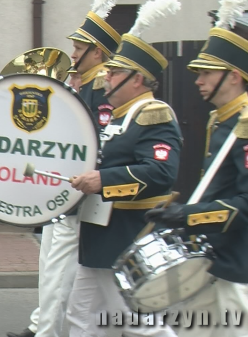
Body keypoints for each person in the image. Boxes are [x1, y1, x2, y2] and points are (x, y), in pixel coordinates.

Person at [65, 1, 182, 335]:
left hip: (127, 235)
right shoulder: (116, 117)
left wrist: (103, 180)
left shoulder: (152, 113)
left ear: (138, 80)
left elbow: (160, 175)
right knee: (82, 318)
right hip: (100, 235)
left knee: (141, 325)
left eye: (114, 73)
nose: (105, 78)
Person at [6, 3, 120, 337]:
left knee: (60, 270)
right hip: (63, 189)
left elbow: (92, 142)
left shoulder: (100, 90)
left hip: (78, 192)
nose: (72, 53)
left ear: (97, 53)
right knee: (50, 265)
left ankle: (46, 331)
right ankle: (40, 324)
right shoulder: (86, 86)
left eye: (79, 48)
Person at [145, 10, 248, 336]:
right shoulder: (220, 121)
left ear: (234, 76)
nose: (198, 80)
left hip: (237, 266)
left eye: (206, 73)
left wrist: (189, 216)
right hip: (208, 260)